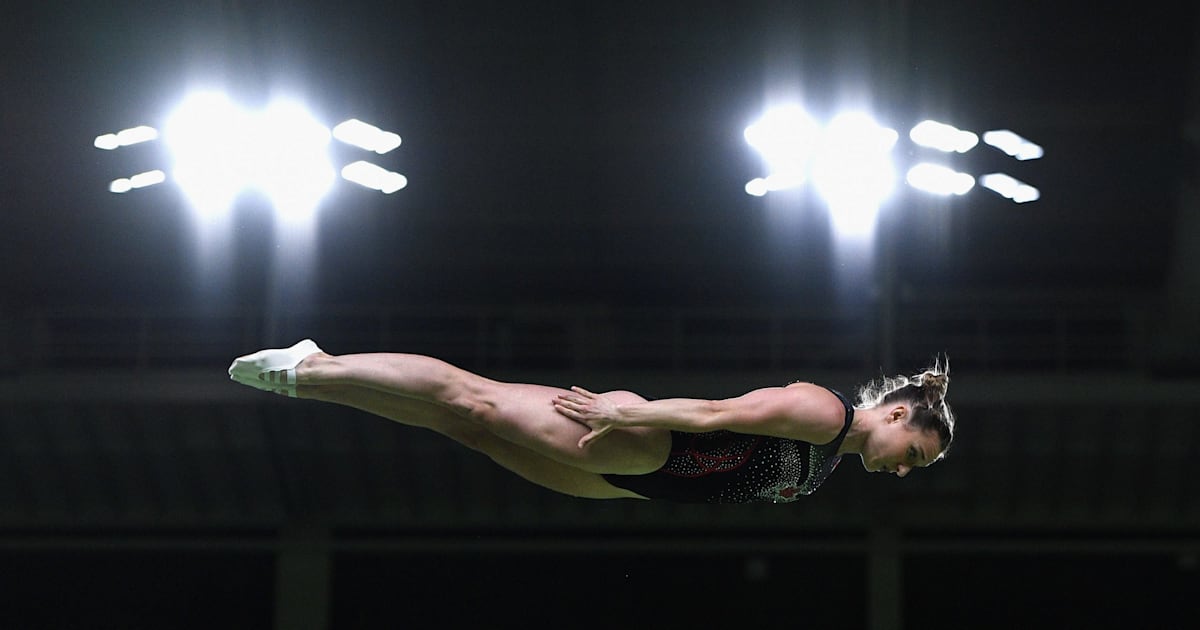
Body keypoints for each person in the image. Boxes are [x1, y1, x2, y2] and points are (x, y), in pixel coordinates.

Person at [229, 339, 955, 503]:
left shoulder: (829, 460)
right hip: (640, 440)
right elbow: (717, 414)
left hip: (628, 481)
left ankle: (316, 389)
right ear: (896, 412)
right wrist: (624, 409)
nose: (900, 469)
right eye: (912, 454)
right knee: (473, 399)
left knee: (463, 427)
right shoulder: (824, 411)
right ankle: (315, 365)